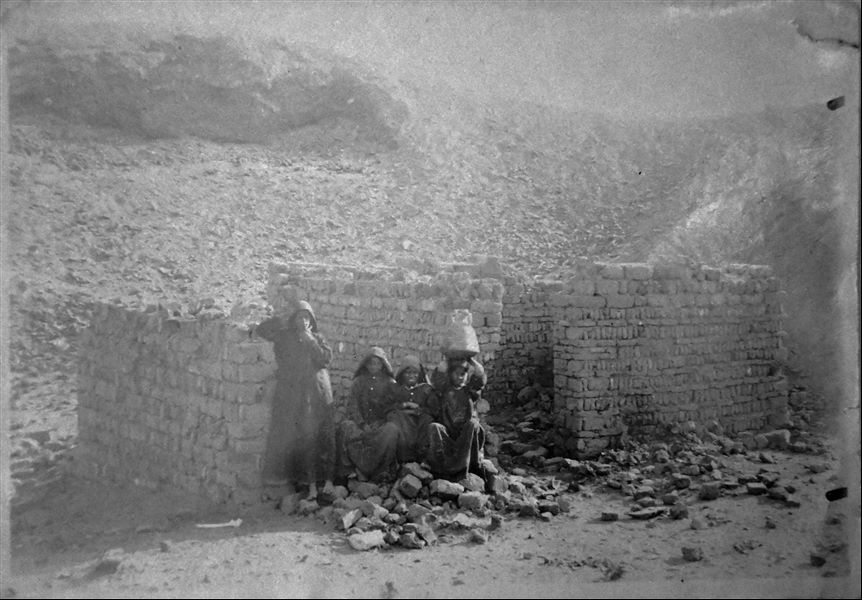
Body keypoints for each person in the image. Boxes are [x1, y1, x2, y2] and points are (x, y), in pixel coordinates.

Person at [255, 300, 335, 500]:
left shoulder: (318, 338)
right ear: (293, 319)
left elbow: (325, 358)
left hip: (318, 394)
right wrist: (282, 318)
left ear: (312, 320)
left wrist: (310, 341)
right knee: (302, 436)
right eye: (299, 317)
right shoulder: (286, 337)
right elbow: (263, 330)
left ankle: (325, 481)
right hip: (296, 394)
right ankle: (305, 483)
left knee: (322, 435)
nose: (303, 321)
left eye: (307, 317)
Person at [339, 347, 401, 482]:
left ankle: (382, 470)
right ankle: (351, 470)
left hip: (379, 427)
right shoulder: (358, 382)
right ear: (366, 364)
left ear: (383, 365)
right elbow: (352, 405)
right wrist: (362, 424)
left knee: (392, 430)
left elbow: (393, 407)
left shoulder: (390, 383)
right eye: (371, 363)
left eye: (377, 363)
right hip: (361, 426)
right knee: (346, 426)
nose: (374, 366)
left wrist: (381, 422)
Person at [425, 356, 491, 482]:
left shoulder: (469, 391)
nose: (460, 377)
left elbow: (479, 377)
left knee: (473, 424)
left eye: (463, 374)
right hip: (448, 436)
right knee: (434, 427)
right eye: (456, 373)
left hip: (465, 437)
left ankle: (466, 467)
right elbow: (438, 378)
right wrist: (448, 358)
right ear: (449, 375)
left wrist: (470, 360)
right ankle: (440, 470)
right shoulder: (443, 390)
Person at [387, 355, 436, 463]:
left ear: (419, 374)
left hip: (419, 421)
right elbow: (387, 407)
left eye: (415, 373)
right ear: (402, 374)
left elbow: (434, 409)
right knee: (394, 417)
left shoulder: (426, 389)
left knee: (427, 420)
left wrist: (419, 409)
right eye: (408, 373)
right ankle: (403, 458)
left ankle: (422, 458)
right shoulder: (396, 389)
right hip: (403, 423)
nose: (411, 376)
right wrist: (404, 405)